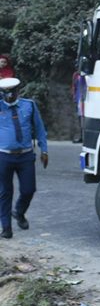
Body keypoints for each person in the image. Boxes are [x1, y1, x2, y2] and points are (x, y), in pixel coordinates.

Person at [0, 77, 48, 239]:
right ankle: (6, 228)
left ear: (18, 91)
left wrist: (44, 150)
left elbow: (39, 128)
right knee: (5, 192)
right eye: (5, 93)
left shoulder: (29, 106)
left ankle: (19, 212)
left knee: (29, 189)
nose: (9, 96)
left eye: (12, 92)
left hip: (26, 155)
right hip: (3, 156)